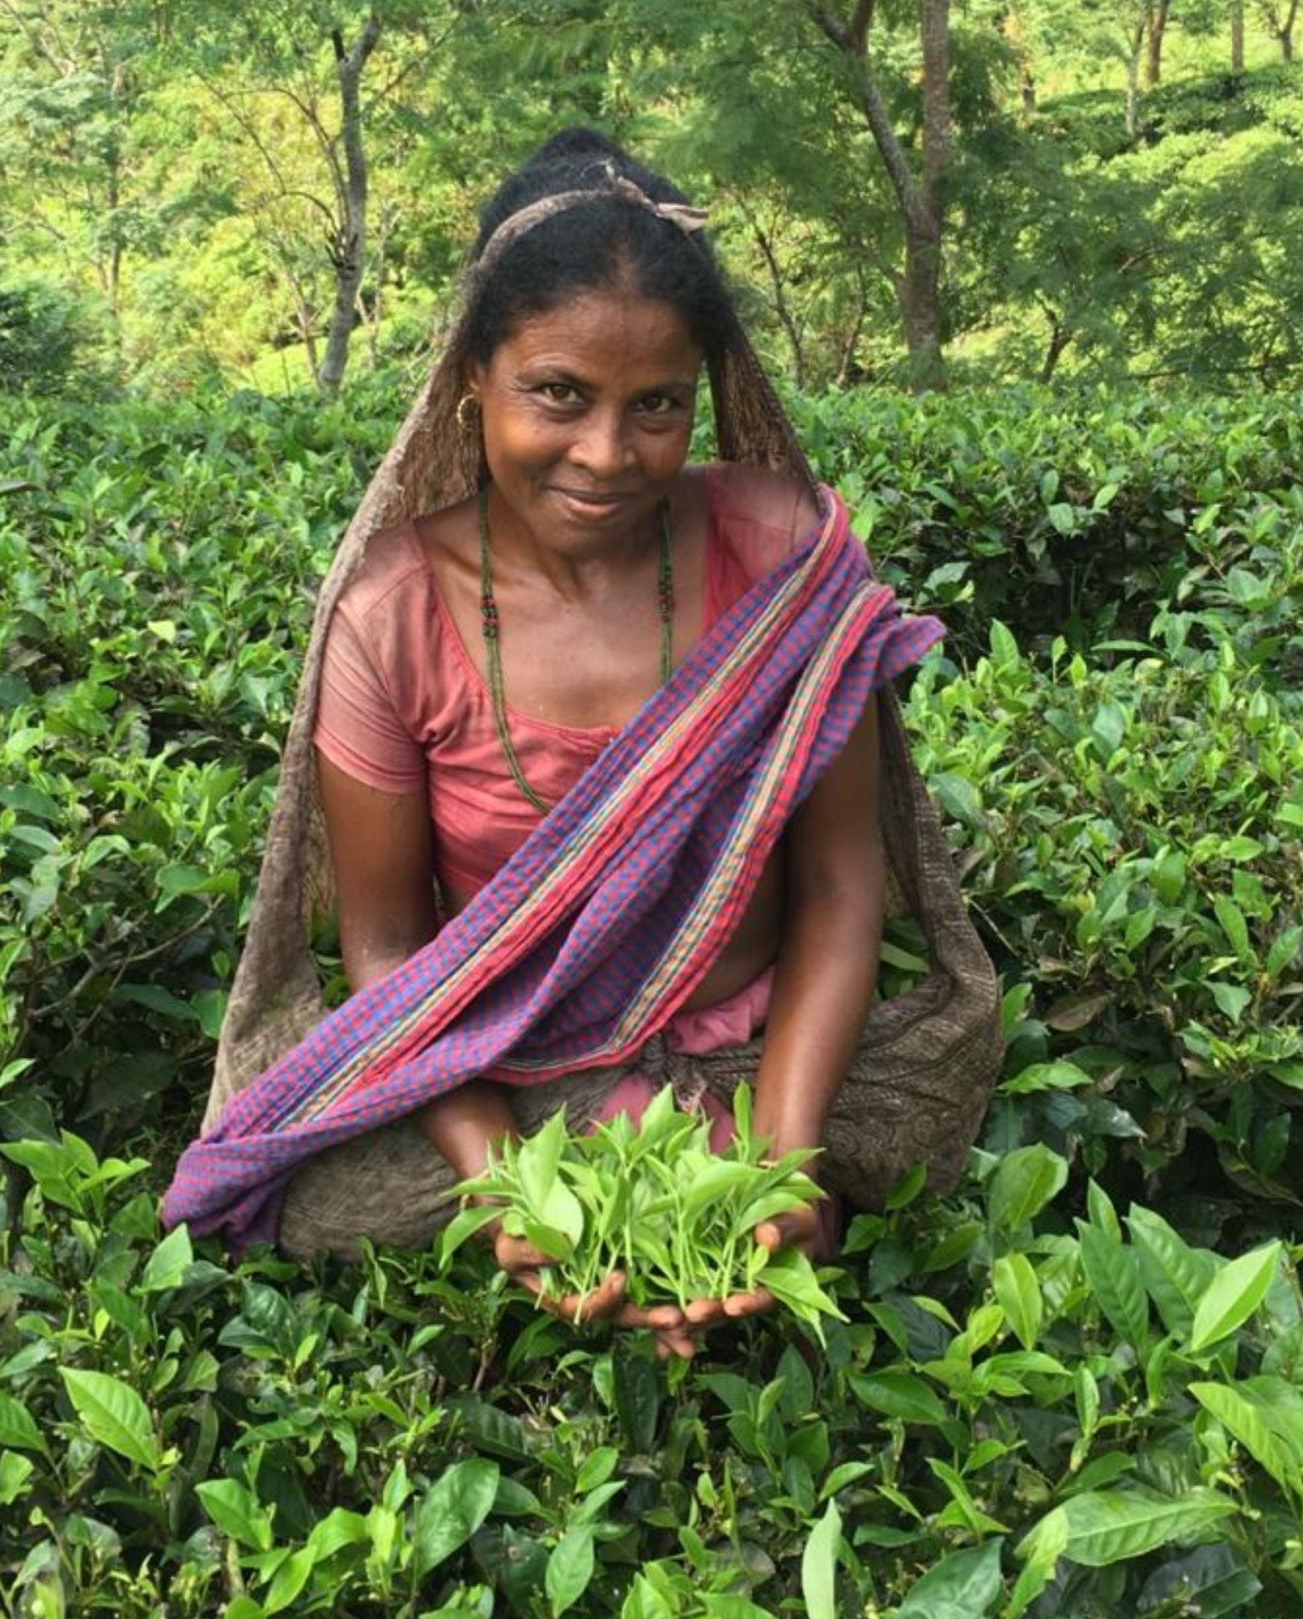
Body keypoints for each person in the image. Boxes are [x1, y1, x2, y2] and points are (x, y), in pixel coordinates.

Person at [164, 129, 1002, 1359]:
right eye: (558, 392)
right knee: (325, 1199)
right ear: (472, 381)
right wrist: (519, 1193)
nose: (608, 455)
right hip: (507, 1073)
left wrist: (774, 1167)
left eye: (656, 405)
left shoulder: (779, 551)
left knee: (814, 1207)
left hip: (772, 1056)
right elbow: (390, 942)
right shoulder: (393, 610)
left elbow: (837, 885)